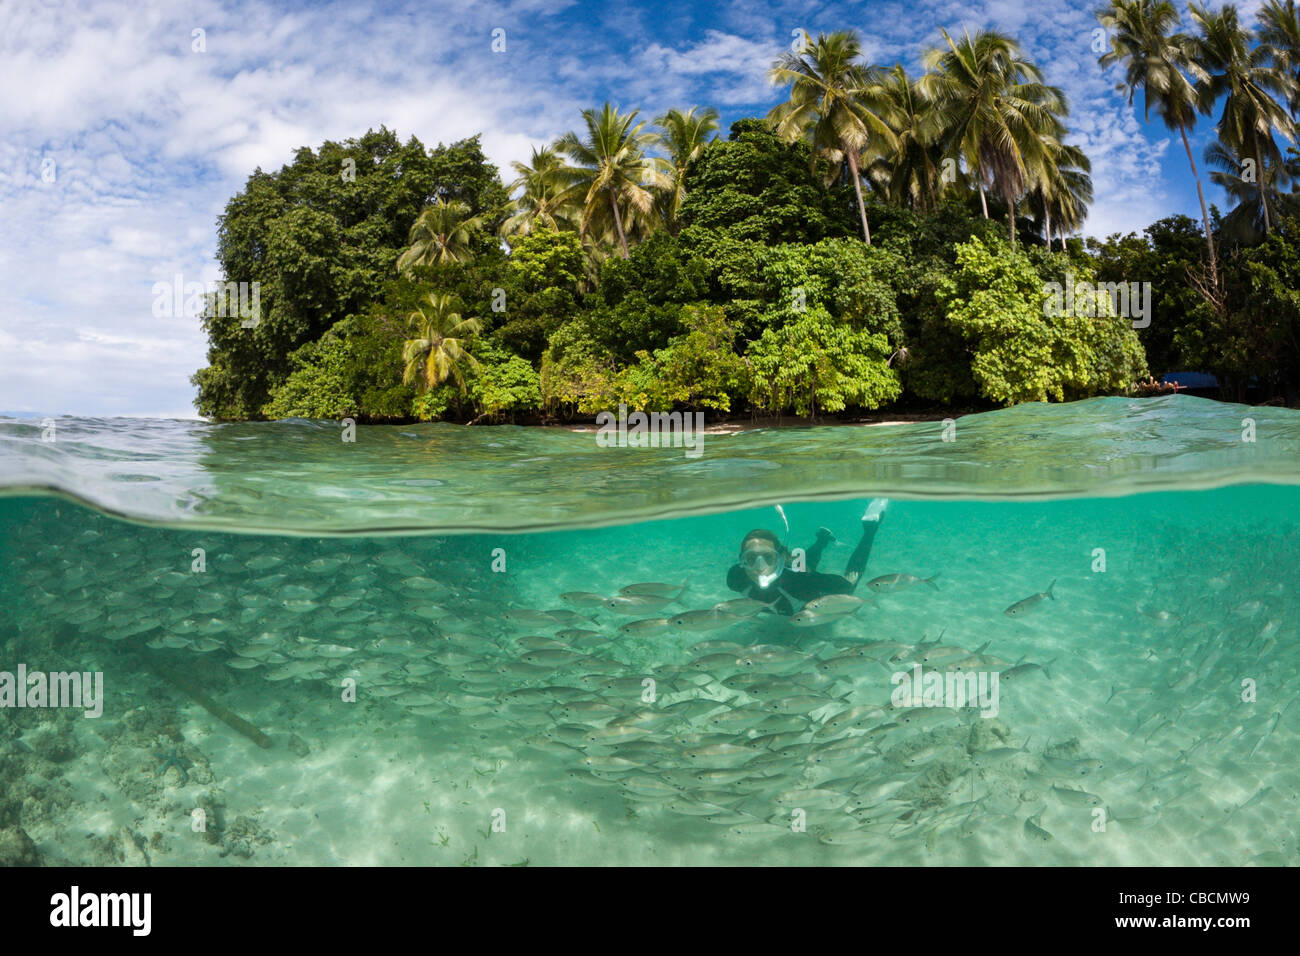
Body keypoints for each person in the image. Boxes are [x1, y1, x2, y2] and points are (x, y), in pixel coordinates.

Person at [726, 499, 887, 616]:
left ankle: (870, 529)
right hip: (795, 571)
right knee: (804, 565)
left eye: (768, 557)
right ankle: (822, 539)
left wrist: (847, 585)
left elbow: (840, 586)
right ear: (742, 561)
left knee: (848, 586)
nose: (759, 567)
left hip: (799, 577)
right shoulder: (736, 578)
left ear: (779, 557)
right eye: (751, 558)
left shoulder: (801, 581)